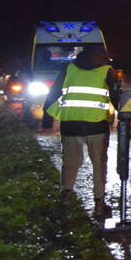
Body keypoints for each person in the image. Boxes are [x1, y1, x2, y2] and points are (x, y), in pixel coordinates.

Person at [43, 46, 119, 216]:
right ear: (102, 56)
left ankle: (66, 199)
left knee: (70, 163)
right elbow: (116, 97)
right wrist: (127, 114)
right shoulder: (107, 70)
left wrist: (46, 119)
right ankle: (99, 204)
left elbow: (54, 92)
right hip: (96, 125)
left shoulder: (68, 68)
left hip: (70, 124)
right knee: (99, 164)